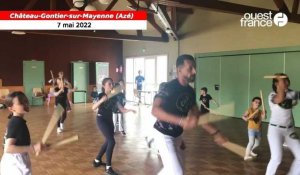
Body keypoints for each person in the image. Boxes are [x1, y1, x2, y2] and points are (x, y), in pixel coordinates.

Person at [152, 54, 227, 175]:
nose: (194, 71)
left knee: (174, 171)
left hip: (177, 136)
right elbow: (155, 110)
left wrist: (216, 133)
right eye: (190, 68)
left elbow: (198, 116)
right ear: (179, 69)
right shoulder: (168, 87)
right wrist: (181, 121)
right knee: (177, 172)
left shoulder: (190, 91)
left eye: (195, 68)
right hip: (163, 134)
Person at [92, 78, 136, 175]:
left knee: (108, 140)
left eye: (112, 84)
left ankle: (97, 160)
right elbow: (93, 107)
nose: (111, 86)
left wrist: (130, 110)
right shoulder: (101, 95)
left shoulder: (114, 97)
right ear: (104, 86)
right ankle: (108, 168)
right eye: (109, 84)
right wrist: (102, 100)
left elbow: (121, 109)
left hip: (109, 120)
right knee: (112, 141)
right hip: (101, 119)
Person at [1, 91, 45, 175]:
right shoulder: (16, 122)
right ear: (11, 108)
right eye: (21, 102)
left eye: (25, 100)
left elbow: (19, 142)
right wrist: (32, 148)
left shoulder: (17, 121)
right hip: (14, 165)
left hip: (15, 161)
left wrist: (37, 146)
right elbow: (8, 148)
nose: (25, 103)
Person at [265, 73, 300, 175]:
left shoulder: (291, 93)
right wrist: (280, 84)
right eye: (284, 80)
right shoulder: (272, 95)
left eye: (287, 80)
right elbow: (280, 99)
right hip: (275, 130)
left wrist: (281, 83)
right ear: (276, 83)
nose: (287, 82)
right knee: (276, 158)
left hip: (290, 130)